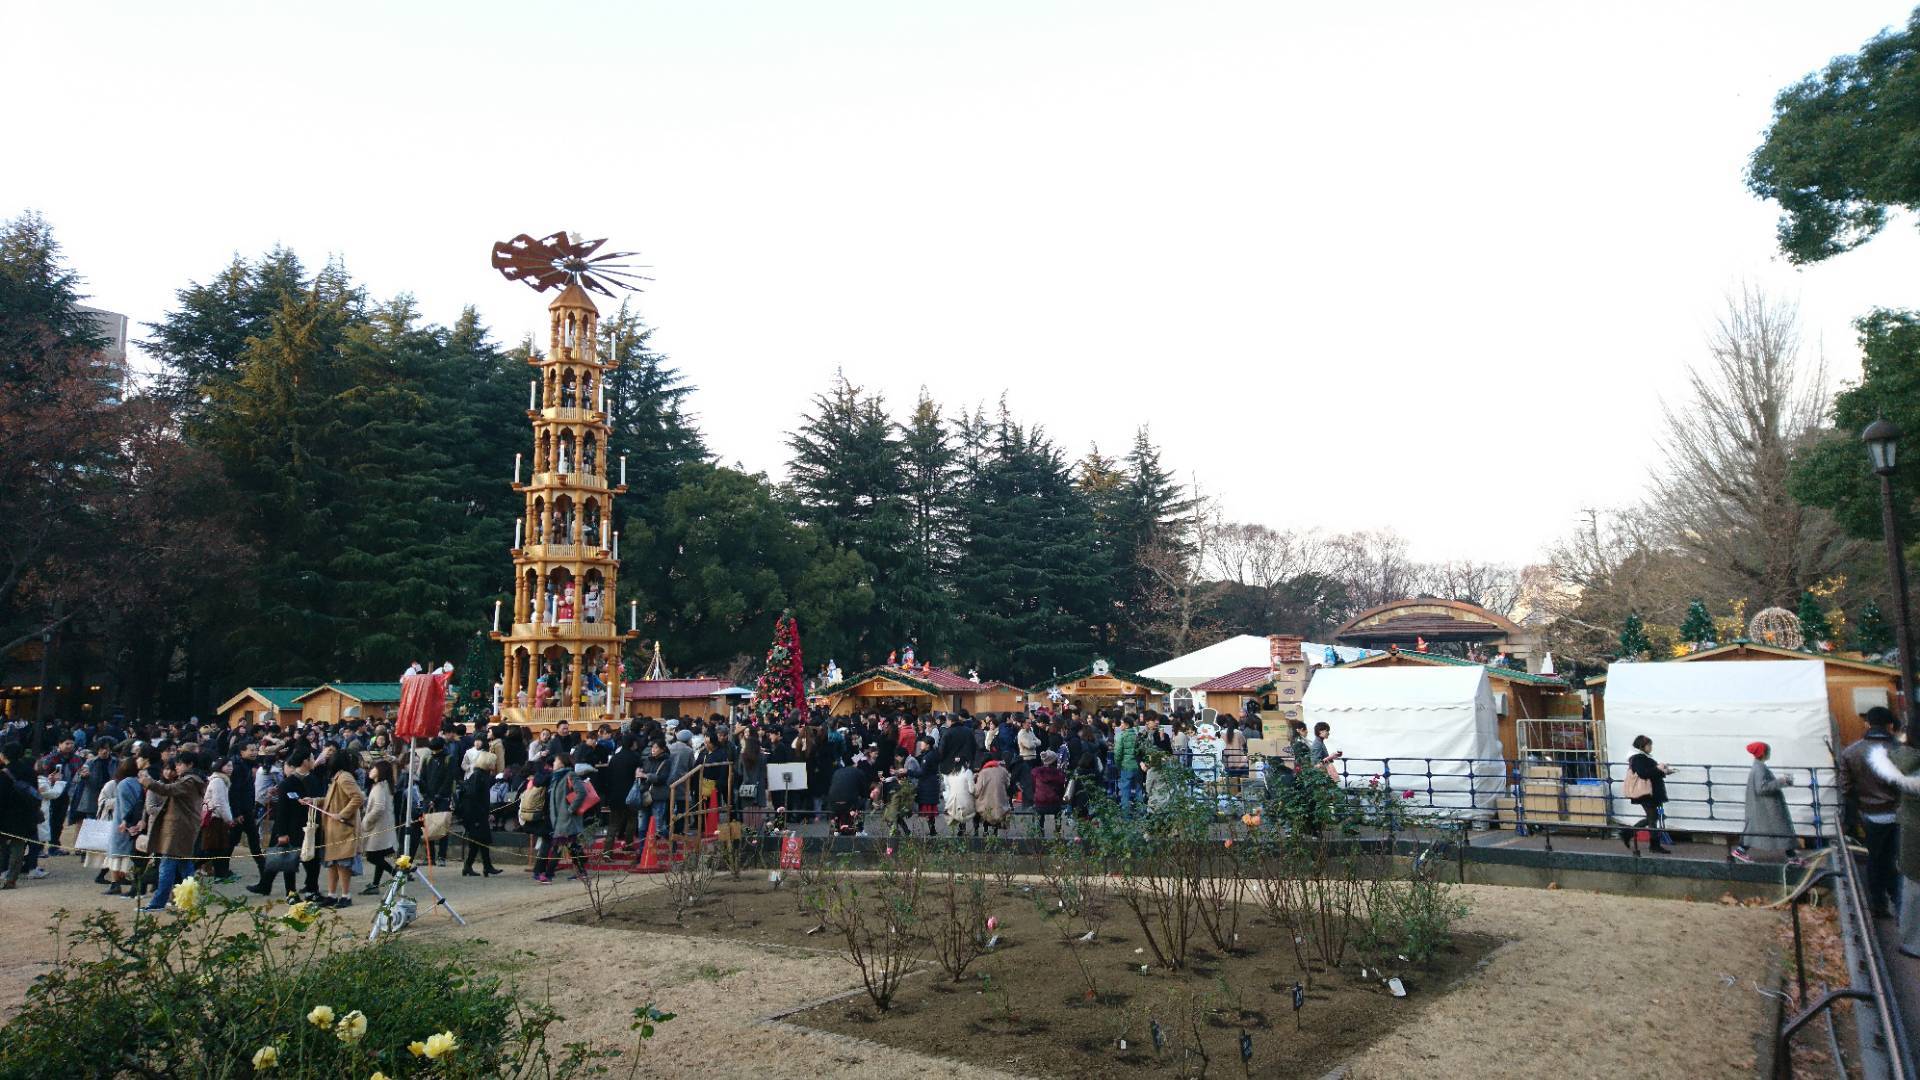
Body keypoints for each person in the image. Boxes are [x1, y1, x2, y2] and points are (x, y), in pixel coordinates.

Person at [1840, 706, 1904, 917]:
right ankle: (1900, 901)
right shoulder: (1901, 752)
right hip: (1900, 814)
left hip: (1869, 814)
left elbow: (1846, 788)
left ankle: (1878, 904)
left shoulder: (1851, 752)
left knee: (1875, 859)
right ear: (1890, 726)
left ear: (1867, 724)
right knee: (1900, 860)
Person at [140, 752, 208, 911]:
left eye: (179, 764)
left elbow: (167, 789)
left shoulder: (189, 781)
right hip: (184, 828)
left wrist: (148, 782)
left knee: (167, 866)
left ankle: (158, 902)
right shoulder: (194, 780)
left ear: (190, 764)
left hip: (178, 829)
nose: (176, 767)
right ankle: (188, 900)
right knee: (185, 866)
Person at [314, 749, 365, 907]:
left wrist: (342, 814)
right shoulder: (339, 777)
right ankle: (332, 894)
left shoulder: (344, 777)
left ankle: (345, 895)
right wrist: (314, 801)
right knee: (332, 863)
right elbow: (331, 800)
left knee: (342, 864)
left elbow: (358, 797)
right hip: (334, 828)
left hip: (343, 828)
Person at [1733, 741, 1798, 863]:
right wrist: (1782, 781)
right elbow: (1762, 788)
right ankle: (1792, 857)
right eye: (1768, 751)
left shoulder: (1758, 767)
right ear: (1763, 753)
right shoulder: (1760, 769)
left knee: (1756, 828)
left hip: (1762, 807)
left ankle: (1741, 850)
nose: (1770, 753)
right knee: (1782, 828)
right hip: (1767, 807)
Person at [1619, 734, 1673, 855]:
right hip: (1647, 793)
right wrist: (1659, 768)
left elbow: (1649, 772)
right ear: (1642, 746)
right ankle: (1653, 844)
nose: (1651, 747)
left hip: (1650, 792)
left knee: (1652, 818)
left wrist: (1663, 770)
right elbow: (1644, 773)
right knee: (1652, 818)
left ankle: (1629, 834)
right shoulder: (1639, 758)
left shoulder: (1642, 757)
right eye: (1649, 745)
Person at [359, 760, 399, 894]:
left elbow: (378, 808)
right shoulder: (383, 785)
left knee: (372, 856)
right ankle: (375, 884)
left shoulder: (380, 787)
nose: (370, 771)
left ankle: (396, 874)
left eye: (373, 768)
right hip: (382, 827)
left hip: (378, 828)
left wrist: (366, 822)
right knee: (379, 856)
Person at [458, 755, 501, 877]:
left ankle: (473, 866)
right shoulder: (478, 776)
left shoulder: (480, 775)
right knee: (481, 840)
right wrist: (481, 814)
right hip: (476, 815)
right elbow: (473, 797)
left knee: (479, 841)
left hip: (478, 814)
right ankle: (485, 866)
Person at [202, 757, 237, 881]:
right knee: (212, 848)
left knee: (217, 848)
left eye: (231, 766)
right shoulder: (218, 781)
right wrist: (229, 819)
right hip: (214, 819)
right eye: (227, 765)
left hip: (218, 818)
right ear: (220, 766)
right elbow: (220, 802)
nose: (230, 768)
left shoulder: (223, 780)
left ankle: (221, 873)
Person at [1029, 749, 1067, 837]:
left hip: (1040, 803)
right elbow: (1061, 790)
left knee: (1039, 816)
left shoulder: (1036, 773)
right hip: (1054, 803)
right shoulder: (1059, 774)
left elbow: (1033, 787)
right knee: (1058, 814)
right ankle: (1058, 833)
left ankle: (1040, 834)